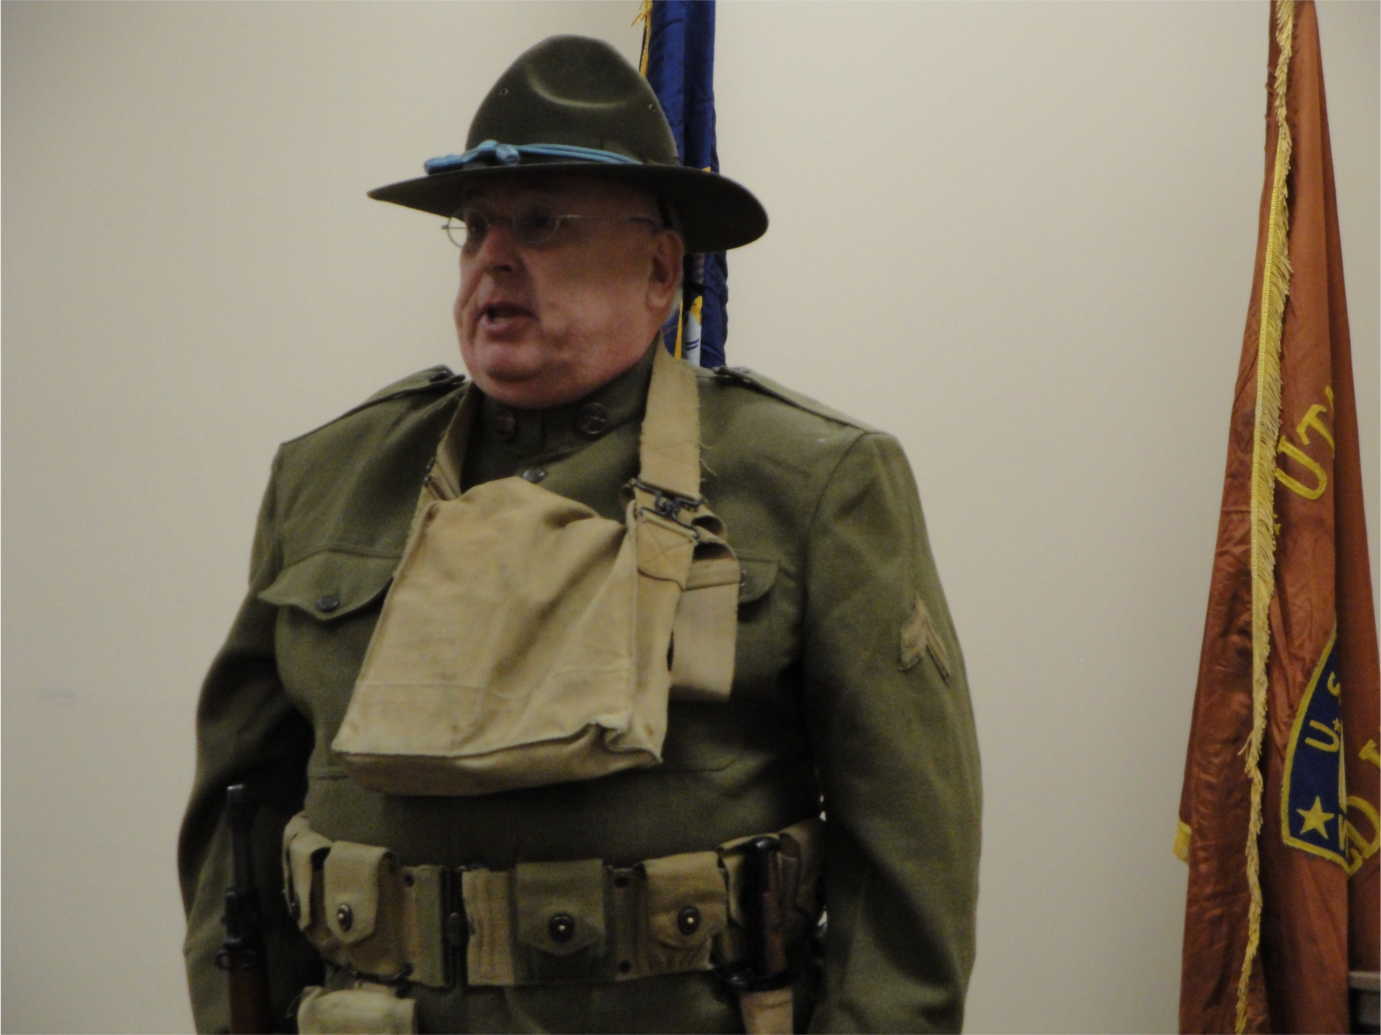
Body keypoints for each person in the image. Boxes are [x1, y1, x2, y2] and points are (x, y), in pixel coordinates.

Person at [179, 34, 980, 1035]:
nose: (494, 257)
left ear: (658, 270)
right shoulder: (332, 480)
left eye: (543, 222)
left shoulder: (811, 482)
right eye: (476, 227)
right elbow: (237, 818)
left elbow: (906, 864)